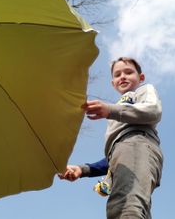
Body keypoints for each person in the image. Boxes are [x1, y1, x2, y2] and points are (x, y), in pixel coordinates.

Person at [58, 57, 163, 219]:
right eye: (117, 74)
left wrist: (111, 110)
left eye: (129, 72)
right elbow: (114, 157)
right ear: (113, 83)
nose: (123, 76)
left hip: (138, 144)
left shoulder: (142, 91)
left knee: (124, 206)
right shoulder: (116, 116)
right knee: (135, 209)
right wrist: (83, 169)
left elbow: (153, 110)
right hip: (123, 153)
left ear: (140, 78)